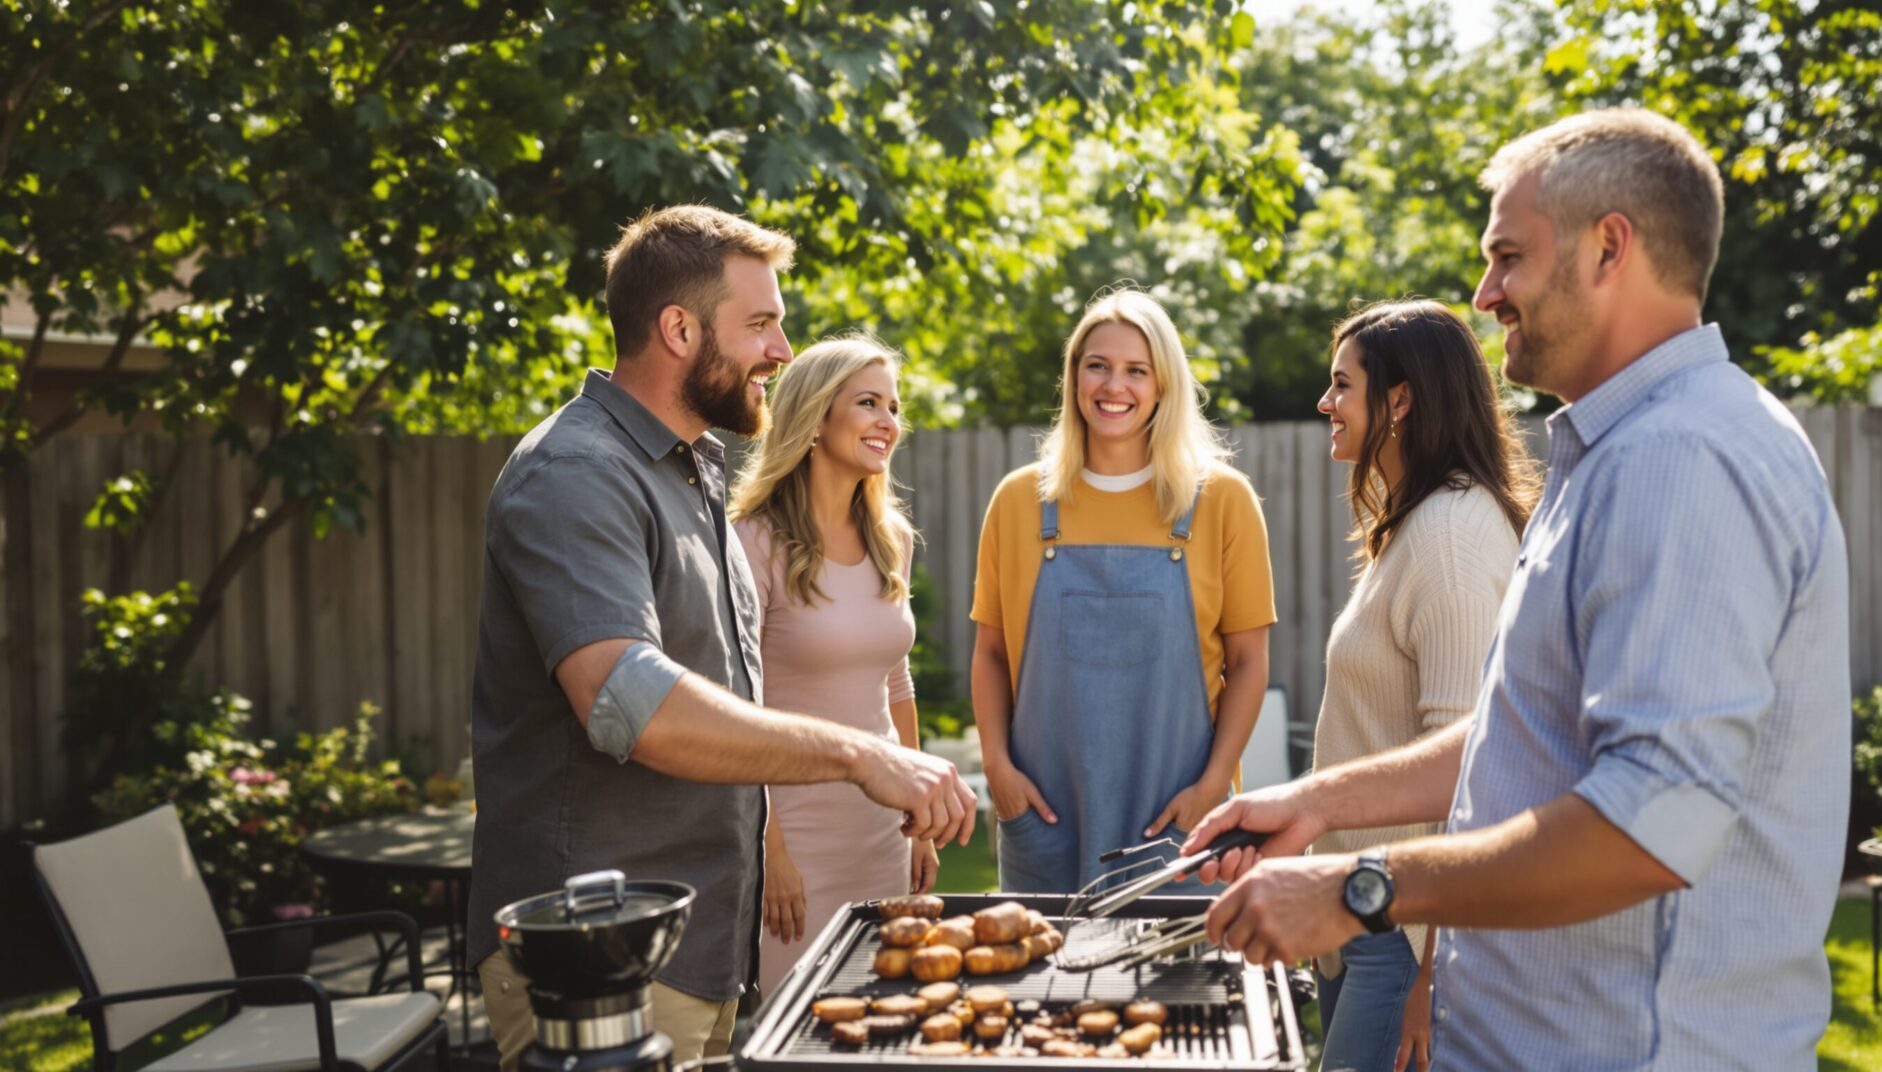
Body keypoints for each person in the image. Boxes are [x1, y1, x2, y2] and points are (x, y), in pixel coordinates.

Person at [1188, 108, 1850, 1071]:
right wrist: (1320, 802)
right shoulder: (1608, 452)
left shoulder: (1683, 460)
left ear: (1608, 248)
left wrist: (1356, 887)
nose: (1484, 291)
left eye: (1508, 257)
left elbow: (1648, 823)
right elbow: (1520, 726)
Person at [468, 206, 975, 1071]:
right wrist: (860, 757)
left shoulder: (690, 471)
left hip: (697, 944)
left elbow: (738, 696)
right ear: (678, 328)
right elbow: (628, 699)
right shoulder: (577, 473)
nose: (781, 351)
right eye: (762, 324)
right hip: (597, 954)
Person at [971, 288, 1276, 894]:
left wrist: (1213, 787)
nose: (1115, 386)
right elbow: (991, 653)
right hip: (1045, 821)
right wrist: (999, 770)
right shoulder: (1019, 501)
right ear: (1073, 377)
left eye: (1138, 370)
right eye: (1097, 366)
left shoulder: (1221, 500)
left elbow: (1248, 662)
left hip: (1179, 825)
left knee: (1185, 988)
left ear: (1164, 385)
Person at [1305, 300, 1536, 1072]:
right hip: (1363, 923)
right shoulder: (1417, 523)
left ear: (1399, 399)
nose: (1325, 403)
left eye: (1342, 385)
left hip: (1406, 943)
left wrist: (1433, 978)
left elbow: (1470, 775)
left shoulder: (1452, 538)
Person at [728, 334, 940, 993]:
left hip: (881, 830)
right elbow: (738, 708)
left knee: (884, 1015)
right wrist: (772, 854)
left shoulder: (891, 539)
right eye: (869, 403)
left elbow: (893, 680)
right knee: (799, 1025)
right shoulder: (750, 541)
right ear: (816, 418)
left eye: (895, 407)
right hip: (792, 836)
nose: (888, 422)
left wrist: (921, 816)